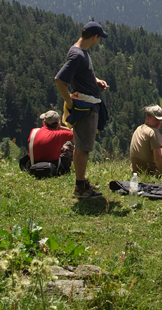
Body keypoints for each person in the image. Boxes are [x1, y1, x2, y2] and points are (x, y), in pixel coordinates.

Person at [54, 21, 109, 198]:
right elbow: (60, 80)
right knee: (83, 147)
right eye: (99, 38)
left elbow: (81, 74)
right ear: (95, 37)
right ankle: (80, 188)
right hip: (85, 105)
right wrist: (69, 102)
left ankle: (81, 181)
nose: (98, 41)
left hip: (88, 102)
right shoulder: (78, 55)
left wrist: (95, 81)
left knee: (81, 146)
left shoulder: (78, 51)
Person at [26, 110, 74, 175]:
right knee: (69, 144)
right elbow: (77, 134)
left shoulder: (34, 131)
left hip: (33, 165)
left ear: (44, 122)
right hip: (53, 167)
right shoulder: (61, 134)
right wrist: (60, 128)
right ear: (58, 123)